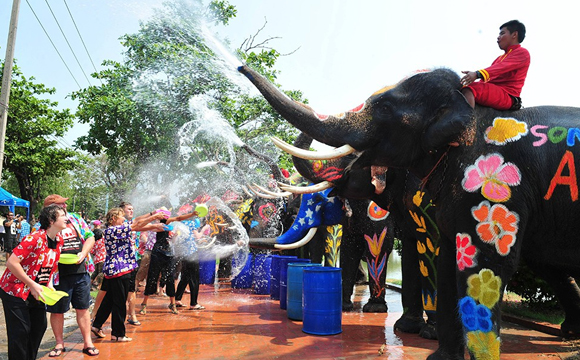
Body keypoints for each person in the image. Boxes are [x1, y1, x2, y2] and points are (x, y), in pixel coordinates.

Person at [0, 204, 66, 360]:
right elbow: (12, 262)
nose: (67, 218)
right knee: (20, 332)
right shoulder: (34, 238)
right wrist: (32, 284)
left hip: (35, 290)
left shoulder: (59, 241)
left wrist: (48, 284)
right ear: (51, 220)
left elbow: (49, 265)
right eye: (62, 215)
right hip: (14, 290)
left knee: (39, 327)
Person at [91, 208, 166, 342]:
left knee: (109, 300)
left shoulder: (118, 228)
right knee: (120, 303)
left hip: (117, 269)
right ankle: (118, 334)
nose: (124, 219)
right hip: (120, 269)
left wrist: (155, 225)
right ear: (113, 218)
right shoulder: (113, 230)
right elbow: (136, 225)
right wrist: (154, 216)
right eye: (121, 216)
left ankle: (97, 325)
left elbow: (137, 226)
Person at [43, 194, 98, 357]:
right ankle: (59, 343)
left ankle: (88, 342)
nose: (65, 207)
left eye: (64, 205)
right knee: (57, 310)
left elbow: (90, 237)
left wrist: (83, 253)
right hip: (58, 274)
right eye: (60, 205)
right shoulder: (44, 225)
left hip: (81, 271)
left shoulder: (75, 219)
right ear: (50, 210)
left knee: (83, 308)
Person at [460, 20, 530, 110]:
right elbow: (489, 79)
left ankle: (466, 123)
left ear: (514, 35)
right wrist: (467, 81)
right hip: (495, 90)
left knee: (470, 89)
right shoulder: (499, 58)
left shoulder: (522, 53)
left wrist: (477, 74)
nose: (498, 37)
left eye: (502, 33)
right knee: (462, 87)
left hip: (507, 95)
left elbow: (500, 68)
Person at [140, 208, 198, 315]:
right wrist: (192, 214)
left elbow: (178, 219)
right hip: (158, 252)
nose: (167, 216)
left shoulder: (166, 225)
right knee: (153, 276)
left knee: (169, 277)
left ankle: (172, 303)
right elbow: (179, 218)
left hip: (168, 253)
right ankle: (144, 303)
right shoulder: (161, 223)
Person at [175, 219, 209, 310]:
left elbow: (188, 239)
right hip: (192, 254)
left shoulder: (181, 223)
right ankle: (194, 303)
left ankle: (177, 299)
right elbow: (197, 236)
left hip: (184, 254)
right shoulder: (191, 222)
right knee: (194, 278)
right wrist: (204, 229)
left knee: (185, 277)